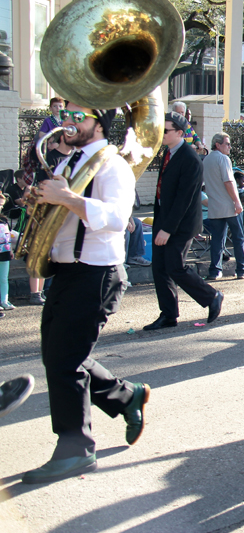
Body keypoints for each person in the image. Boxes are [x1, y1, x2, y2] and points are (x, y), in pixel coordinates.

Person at [23, 101, 155, 484]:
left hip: (96, 274)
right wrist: (40, 202)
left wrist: (67, 198)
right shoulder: (68, 162)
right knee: (61, 356)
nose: (67, 120)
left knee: (65, 360)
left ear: (98, 123)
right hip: (66, 272)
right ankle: (126, 395)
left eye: (77, 115)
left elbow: (116, 219)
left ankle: (77, 449)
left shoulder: (112, 164)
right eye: (66, 114)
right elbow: (62, 214)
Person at [143, 112, 224, 331]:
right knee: (159, 268)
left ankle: (212, 296)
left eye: (166, 130)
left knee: (175, 266)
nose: (162, 133)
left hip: (180, 225)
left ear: (179, 133)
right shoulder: (169, 153)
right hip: (165, 219)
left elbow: (185, 199)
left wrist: (167, 229)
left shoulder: (189, 158)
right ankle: (169, 314)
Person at [203, 133, 244, 280]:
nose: (229, 147)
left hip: (214, 206)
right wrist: (237, 201)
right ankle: (241, 269)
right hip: (229, 205)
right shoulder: (223, 159)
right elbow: (228, 181)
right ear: (218, 144)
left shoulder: (207, 159)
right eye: (227, 144)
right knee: (238, 238)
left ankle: (215, 270)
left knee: (217, 239)